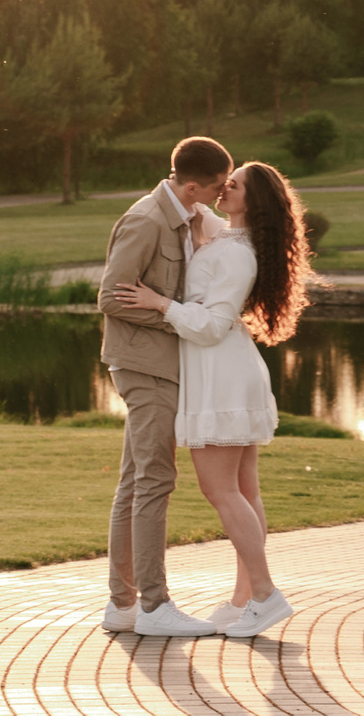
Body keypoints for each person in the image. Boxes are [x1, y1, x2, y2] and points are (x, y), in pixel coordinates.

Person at [112, 159, 313, 639]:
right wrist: (186, 189)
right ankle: (244, 599)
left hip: (220, 375)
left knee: (220, 491)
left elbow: (212, 324)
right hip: (226, 372)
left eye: (235, 184)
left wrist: (159, 303)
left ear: (251, 200)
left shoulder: (237, 255)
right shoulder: (228, 235)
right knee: (244, 491)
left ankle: (264, 595)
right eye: (224, 181)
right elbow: (187, 201)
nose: (225, 188)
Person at [98, 136, 232, 637]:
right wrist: (174, 316)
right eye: (218, 185)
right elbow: (112, 297)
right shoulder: (146, 221)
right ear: (193, 184)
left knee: (135, 482)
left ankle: (122, 606)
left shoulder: (185, 217)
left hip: (156, 365)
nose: (223, 192)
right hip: (144, 367)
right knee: (156, 479)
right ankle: (154, 606)